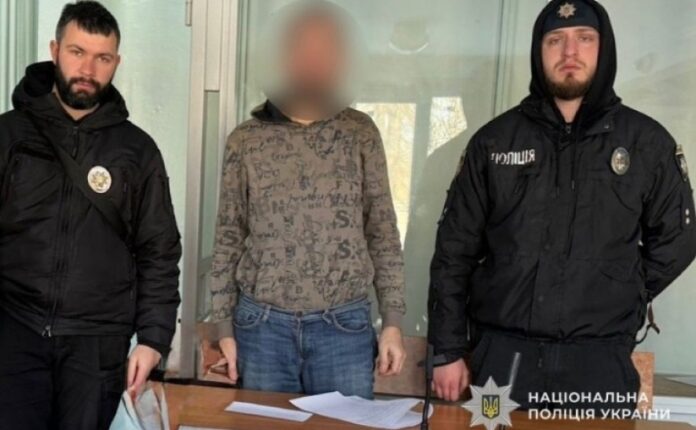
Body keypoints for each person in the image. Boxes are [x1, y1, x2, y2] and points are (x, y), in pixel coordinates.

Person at [428, 0, 696, 413]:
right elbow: (453, 251)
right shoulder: (495, 142)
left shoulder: (646, 143)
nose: (569, 52)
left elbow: (678, 239)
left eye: (584, 38)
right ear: (539, 52)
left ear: (604, 49)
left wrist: (622, 285)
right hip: (502, 359)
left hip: (601, 362)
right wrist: (447, 350)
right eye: (555, 40)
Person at [209, 1, 406, 399]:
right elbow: (228, 237)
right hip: (261, 328)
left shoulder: (360, 133)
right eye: (304, 48)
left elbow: (383, 232)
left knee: (343, 426)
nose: (314, 61)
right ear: (284, 56)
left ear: (339, 59)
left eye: (325, 49)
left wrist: (393, 322)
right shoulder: (245, 140)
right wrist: (223, 327)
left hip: (344, 328)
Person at [0, 2, 181, 429]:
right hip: (15, 331)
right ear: (55, 50)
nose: (88, 69)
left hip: (97, 346)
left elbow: (159, 249)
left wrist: (153, 339)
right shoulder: (8, 134)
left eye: (103, 58)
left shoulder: (137, 151)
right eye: (77, 52)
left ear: (116, 63)